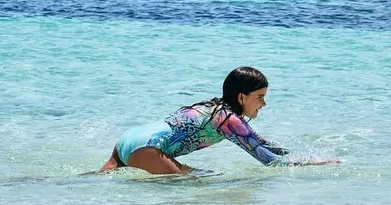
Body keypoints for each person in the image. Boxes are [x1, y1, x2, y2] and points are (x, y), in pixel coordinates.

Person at [100, 66, 338, 174]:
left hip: (129, 139)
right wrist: (312, 166)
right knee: (198, 182)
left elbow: (262, 143)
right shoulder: (227, 120)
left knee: (96, 181)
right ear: (241, 97)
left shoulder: (213, 108)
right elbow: (269, 161)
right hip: (149, 150)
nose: (264, 104)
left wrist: (299, 153)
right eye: (260, 97)